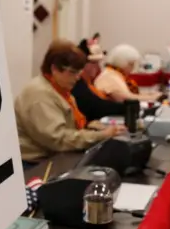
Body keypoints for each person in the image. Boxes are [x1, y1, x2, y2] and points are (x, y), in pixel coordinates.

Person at [14, 39, 125, 168]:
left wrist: (92, 127)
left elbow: (68, 128)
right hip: (36, 164)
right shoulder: (39, 95)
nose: (77, 77)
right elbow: (58, 139)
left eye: (79, 72)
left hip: (52, 157)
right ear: (54, 68)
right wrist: (100, 135)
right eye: (72, 72)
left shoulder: (59, 89)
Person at [71, 39, 126, 121]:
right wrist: (127, 107)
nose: (98, 67)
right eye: (94, 63)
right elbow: (97, 107)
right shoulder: (77, 83)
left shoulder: (89, 81)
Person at [94, 44, 163, 102]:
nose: (133, 68)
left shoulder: (114, 73)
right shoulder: (109, 76)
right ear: (123, 63)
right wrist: (153, 97)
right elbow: (126, 99)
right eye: (131, 64)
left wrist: (149, 95)